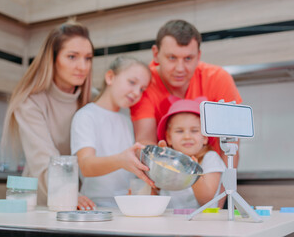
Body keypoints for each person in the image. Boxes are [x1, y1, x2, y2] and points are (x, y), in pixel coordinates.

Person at [1, 19, 96, 210]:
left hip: (82, 202)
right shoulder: (29, 102)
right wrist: (69, 195)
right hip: (41, 204)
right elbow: (43, 161)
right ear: (52, 59)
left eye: (88, 58)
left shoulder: (92, 99)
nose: (82, 66)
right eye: (72, 57)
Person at [130, 19, 242, 167]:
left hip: (211, 176)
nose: (180, 68)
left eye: (188, 58)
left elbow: (232, 145)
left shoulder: (219, 79)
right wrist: (157, 159)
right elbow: (144, 140)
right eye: (172, 58)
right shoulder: (145, 83)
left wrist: (222, 188)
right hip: (165, 177)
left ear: (199, 56)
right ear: (156, 54)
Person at [70, 56, 155, 207]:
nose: (136, 93)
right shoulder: (86, 116)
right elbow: (86, 165)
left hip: (126, 207)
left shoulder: (128, 120)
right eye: (132, 82)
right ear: (110, 77)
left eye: (142, 89)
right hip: (94, 207)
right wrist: (121, 160)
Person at [156, 97, 226, 208]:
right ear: (169, 137)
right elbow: (155, 194)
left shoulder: (210, 158)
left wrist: (193, 172)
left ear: (205, 137)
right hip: (171, 222)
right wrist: (158, 165)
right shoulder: (167, 161)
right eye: (179, 131)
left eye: (194, 131)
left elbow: (206, 200)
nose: (187, 136)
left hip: (202, 223)